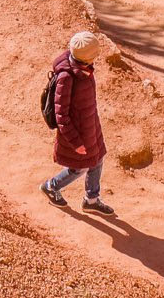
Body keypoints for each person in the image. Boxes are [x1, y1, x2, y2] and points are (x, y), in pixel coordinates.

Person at [42, 30, 114, 215]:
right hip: (77, 134)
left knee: (97, 159)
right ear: (88, 57)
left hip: (90, 127)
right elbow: (61, 116)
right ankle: (51, 186)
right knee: (79, 167)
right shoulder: (67, 78)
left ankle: (91, 199)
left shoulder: (84, 69)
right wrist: (76, 142)